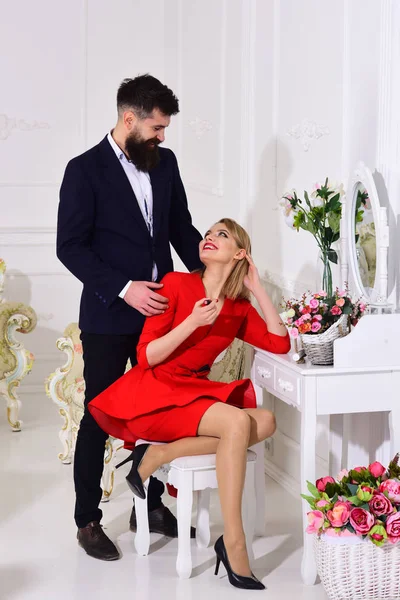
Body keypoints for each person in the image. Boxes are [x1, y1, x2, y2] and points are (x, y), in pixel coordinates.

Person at [89, 218, 291, 589]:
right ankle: (233, 542)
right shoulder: (176, 284)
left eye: (222, 235)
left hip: (193, 393)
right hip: (155, 391)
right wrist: (192, 322)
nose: (210, 238)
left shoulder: (237, 308)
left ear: (239, 253)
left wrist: (257, 288)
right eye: (209, 233)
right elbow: (146, 355)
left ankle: (158, 455)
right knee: (236, 424)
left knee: (264, 421)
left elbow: (280, 344)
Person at [57, 74, 203, 561]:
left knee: (159, 413)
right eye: (157, 127)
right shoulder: (84, 170)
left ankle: (152, 502)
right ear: (129, 119)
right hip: (106, 315)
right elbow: (69, 247)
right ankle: (88, 520)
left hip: (161, 316)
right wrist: (124, 288)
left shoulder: (166, 163)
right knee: (99, 417)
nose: (163, 136)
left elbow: (180, 227)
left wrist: (211, 273)